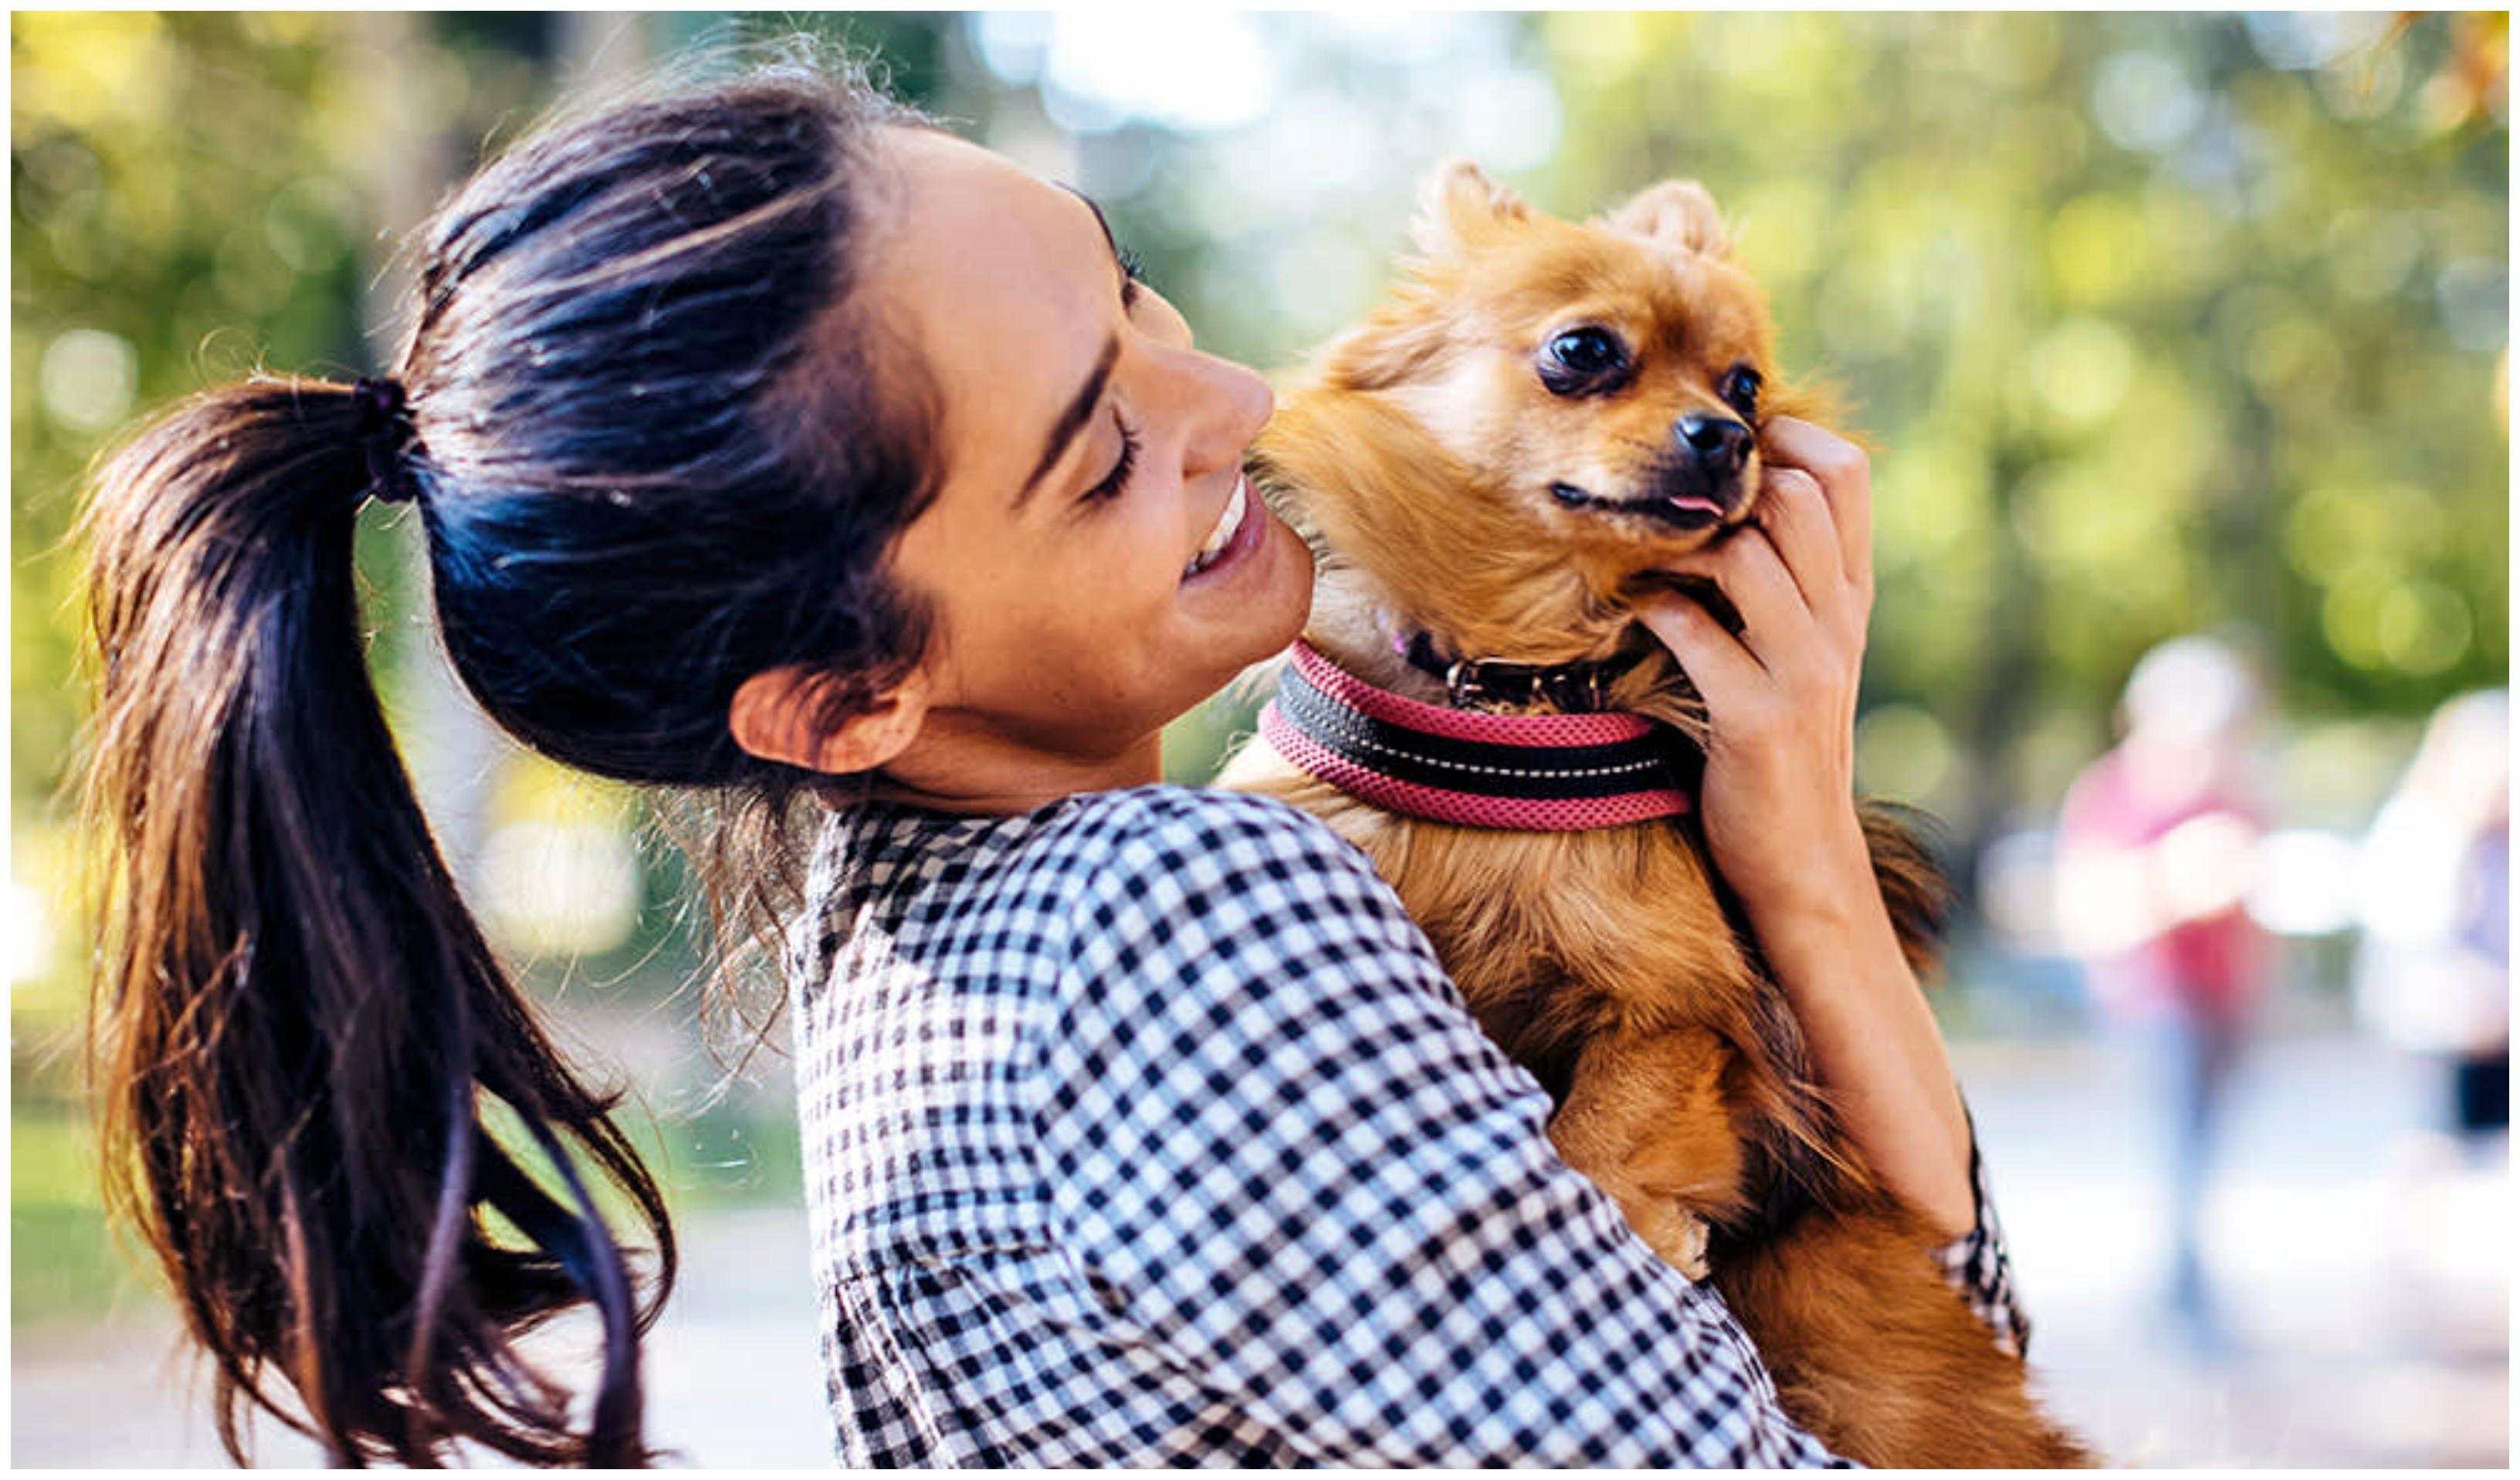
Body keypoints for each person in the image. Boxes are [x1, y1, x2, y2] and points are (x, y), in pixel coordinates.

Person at [79, 49, 2028, 1468]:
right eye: (1102, 451)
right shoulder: (1184, 917)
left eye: (1132, 295)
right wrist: (1806, 875)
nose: (1239, 399)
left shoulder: (924, 917)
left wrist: (1779, 838)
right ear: (841, 698)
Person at [2054, 634, 2274, 1349]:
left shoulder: (2235, 792)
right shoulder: (2110, 793)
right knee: (2171, 1148)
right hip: (2153, 1002)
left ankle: (2188, 1282)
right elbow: (2085, 910)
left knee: (2207, 1147)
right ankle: (2178, 1294)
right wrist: (2178, 883)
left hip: (2226, 998)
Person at [2352, 689, 2510, 1157]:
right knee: (2431, 1151)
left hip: (2499, 1025)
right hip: (2436, 1029)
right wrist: (2474, 994)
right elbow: (2410, 939)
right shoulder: (2423, 830)